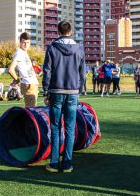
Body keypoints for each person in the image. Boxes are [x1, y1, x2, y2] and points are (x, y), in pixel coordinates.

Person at [42, 20, 85, 173]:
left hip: (55, 91)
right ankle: (67, 163)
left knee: (55, 127)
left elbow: (47, 70)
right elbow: (82, 71)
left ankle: (54, 163)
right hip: (73, 92)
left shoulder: (52, 47)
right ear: (71, 31)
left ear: (58, 32)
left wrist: (45, 90)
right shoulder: (79, 48)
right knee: (70, 128)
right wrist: (80, 89)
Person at [8, 32, 39, 107]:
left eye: (28, 42)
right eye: (23, 42)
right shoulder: (19, 53)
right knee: (31, 111)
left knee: (32, 110)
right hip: (28, 84)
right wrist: (17, 79)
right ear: (20, 42)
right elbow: (10, 69)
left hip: (32, 83)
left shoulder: (24, 53)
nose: (26, 44)